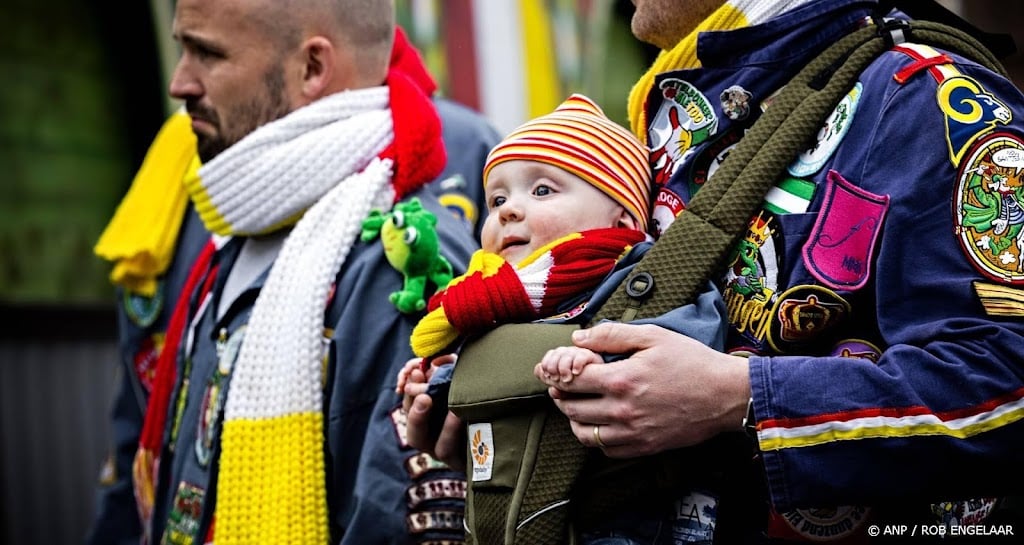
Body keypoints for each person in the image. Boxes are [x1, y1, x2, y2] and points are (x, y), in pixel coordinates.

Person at [410, 0, 1024, 542]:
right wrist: (508, 414)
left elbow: (1009, 375)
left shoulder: (930, 98)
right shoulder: (666, 125)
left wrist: (743, 398)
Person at [86, 0, 486, 543]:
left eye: (207, 53)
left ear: (312, 69)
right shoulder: (235, 225)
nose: (180, 83)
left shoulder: (402, 263)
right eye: (183, 49)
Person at [399, 93, 727, 544]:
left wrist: (603, 367)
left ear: (620, 220)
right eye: (496, 199)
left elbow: (692, 345)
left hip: (629, 519)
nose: (508, 210)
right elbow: (487, 396)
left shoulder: (641, 278)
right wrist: (436, 390)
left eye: (542, 190)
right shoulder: (490, 303)